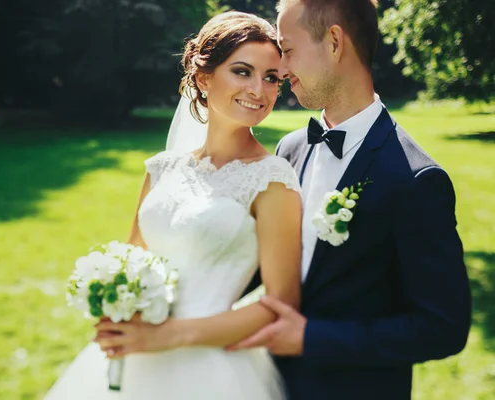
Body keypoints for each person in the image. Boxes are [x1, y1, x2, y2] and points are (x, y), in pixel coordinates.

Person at [44, 11, 302, 400]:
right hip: (134, 360)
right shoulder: (162, 169)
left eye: (271, 78)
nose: (259, 90)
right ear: (204, 77)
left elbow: (280, 304)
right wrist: (114, 307)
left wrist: (172, 336)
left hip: (211, 369)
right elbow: (131, 262)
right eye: (243, 71)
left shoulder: (272, 179)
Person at [229, 1, 472, 399]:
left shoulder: (415, 181)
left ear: (335, 42)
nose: (282, 68)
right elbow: (264, 258)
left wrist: (312, 337)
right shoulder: (290, 149)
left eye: (287, 50)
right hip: (269, 385)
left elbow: (442, 327)